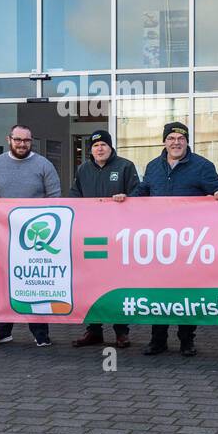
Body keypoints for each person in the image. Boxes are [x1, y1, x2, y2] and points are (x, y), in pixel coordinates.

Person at [125, 122, 218, 357]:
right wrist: (126, 200)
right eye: (171, 138)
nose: (176, 142)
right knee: (158, 292)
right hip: (160, 243)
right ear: (164, 141)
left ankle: (186, 340)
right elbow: (143, 192)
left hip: (188, 244)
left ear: (187, 141)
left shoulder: (202, 166)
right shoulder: (153, 166)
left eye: (180, 138)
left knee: (185, 293)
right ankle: (157, 339)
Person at [0, 124, 61, 347]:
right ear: (9, 139)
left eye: (26, 140)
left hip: (37, 239)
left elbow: (55, 198)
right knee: (3, 283)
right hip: (4, 236)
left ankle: (40, 332)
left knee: (36, 281)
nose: (22, 144)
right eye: (18, 140)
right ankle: (2, 330)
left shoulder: (44, 165)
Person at [70, 130, 140, 350]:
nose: (99, 148)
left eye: (103, 145)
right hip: (91, 236)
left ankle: (121, 331)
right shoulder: (83, 169)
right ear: (91, 150)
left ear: (111, 147)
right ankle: (94, 330)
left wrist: (127, 198)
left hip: (117, 236)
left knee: (117, 283)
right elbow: (74, 195)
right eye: (95, 146)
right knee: (91, 283)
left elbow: (139, 194)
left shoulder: (125, 166)